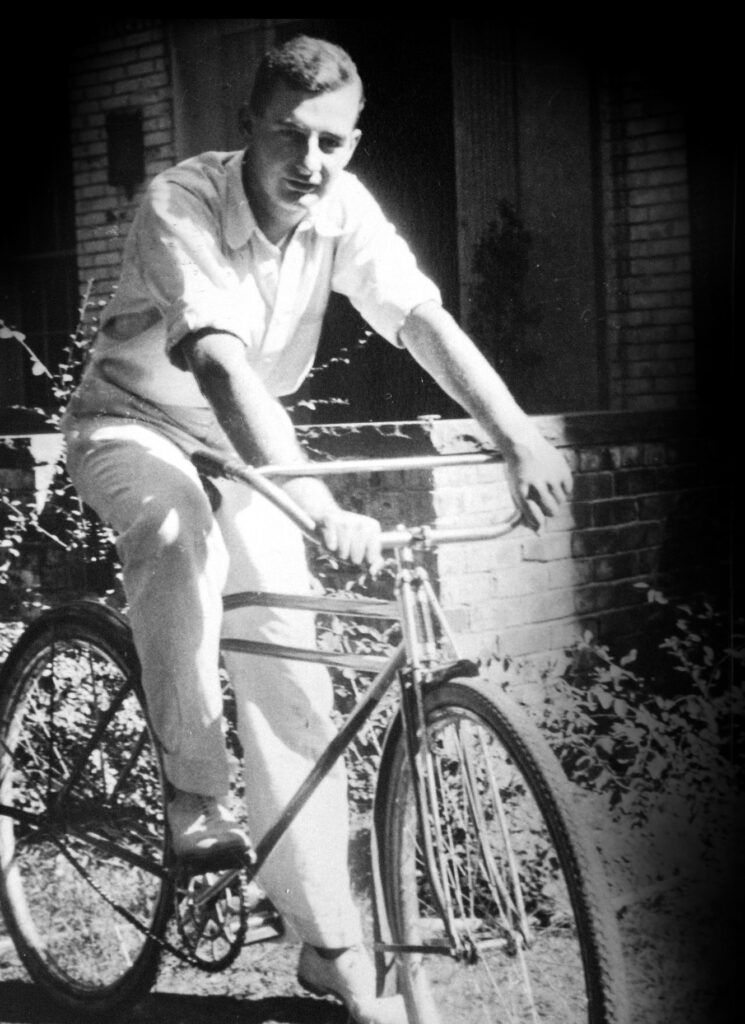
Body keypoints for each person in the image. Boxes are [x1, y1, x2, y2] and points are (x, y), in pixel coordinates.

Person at [61, 34, 572, 1024]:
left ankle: (328, 947)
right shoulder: (181, 199)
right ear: (248, 124)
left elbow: (417, 317)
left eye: (333, 142)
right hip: (134, 421)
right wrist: (319, 501)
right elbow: (217, 363)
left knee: (290, 667)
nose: (311, 163)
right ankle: (194, 795)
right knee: (177, 534)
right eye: (290, 135)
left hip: (250, 445)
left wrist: (514, 435)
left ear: (353, 141)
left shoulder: (341, 208)